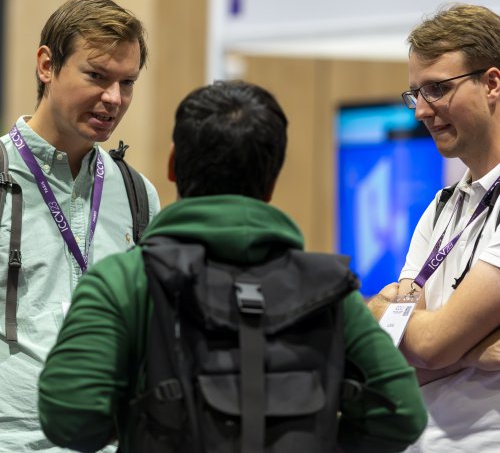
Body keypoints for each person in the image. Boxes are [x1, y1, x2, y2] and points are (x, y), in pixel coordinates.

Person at [38, 80, 426, 452]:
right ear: (271, 181)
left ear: (173, 164)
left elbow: (69, 418)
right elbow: (402, 414)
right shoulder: (331, 289)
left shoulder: (122, 281)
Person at [0, 0, 160, 450]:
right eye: (96, 76)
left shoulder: (137, 194)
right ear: (46, 66)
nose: (114, 98)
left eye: (127, 82)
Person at [368, 3, 500, 452]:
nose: (421, 111)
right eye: (416, 94)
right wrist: (475, 350)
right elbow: (397, 354)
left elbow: (431, 346)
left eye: (437, 89)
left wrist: (440, 342)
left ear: (492, 84)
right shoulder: (442, 207)